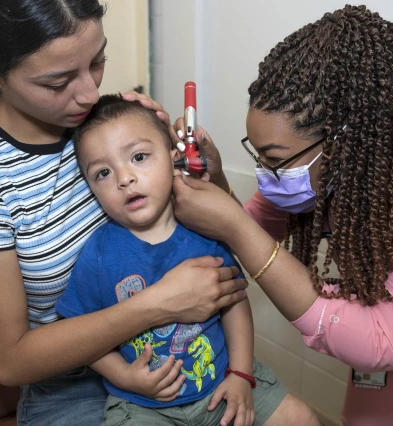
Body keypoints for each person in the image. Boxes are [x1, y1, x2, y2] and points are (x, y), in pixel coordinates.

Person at [0, 1, 251, 424]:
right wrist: (159, 304)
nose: (89, 93)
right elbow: (10, 362)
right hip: (73, 388)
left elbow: (214, 231)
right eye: (58, 81)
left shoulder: (104, 125)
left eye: (97, 61)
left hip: (186, 346)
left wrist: (211, 175)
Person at [171, 5, 393, 426]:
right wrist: (218, 183)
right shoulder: (332, 168)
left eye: (274, 159)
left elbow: (385, 341)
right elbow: (250, 227)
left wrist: (236, 225)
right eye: (257, 156)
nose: (266, 173)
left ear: (343, 140)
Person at [54, 94, 315, 426]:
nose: (124, 178)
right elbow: (81, 334)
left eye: (138, 157)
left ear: (173, 157)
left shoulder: (204, 230)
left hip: (222, 383)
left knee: (301, 417)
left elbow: (234, 304)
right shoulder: (98, 254)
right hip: (144, 406)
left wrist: (239, 374)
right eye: (103, 173)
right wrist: (123, 377)